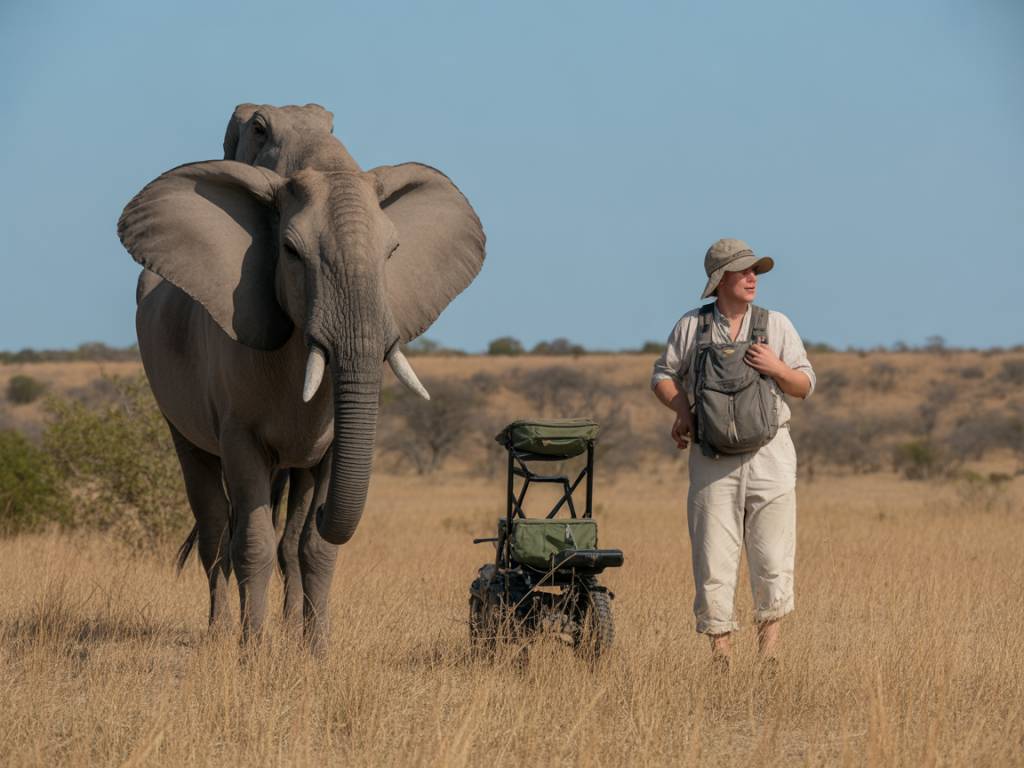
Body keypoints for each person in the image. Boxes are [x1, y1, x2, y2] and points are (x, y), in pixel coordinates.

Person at [651, 238, 815, 668]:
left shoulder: (776, 324)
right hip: (712, 459)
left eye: (754, 270)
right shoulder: (692, 325)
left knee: (772, 558)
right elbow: (663, 375)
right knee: (713, 559)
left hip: (771, 455)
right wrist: (683, 411)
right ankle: (720, 657)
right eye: (743, 270)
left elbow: (804, 385)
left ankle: (769, 657)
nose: (752, 277)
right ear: (719, 279)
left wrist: (777, 368)